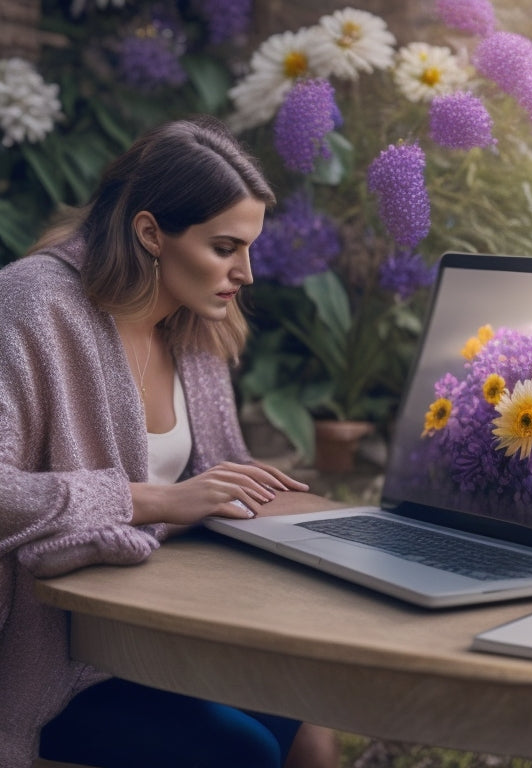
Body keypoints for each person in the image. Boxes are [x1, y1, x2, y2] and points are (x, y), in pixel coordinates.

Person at [0, 116, 339, 768]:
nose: (245, 272)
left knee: (311, 728)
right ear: (151, 232)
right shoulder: (31, 304)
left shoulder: (193, 323)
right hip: (46, 656)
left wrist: (254, 496)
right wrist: (151, 501)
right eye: (224, 247)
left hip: (150, 630)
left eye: (250, 248)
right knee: (242, 751)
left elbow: (207, 479)